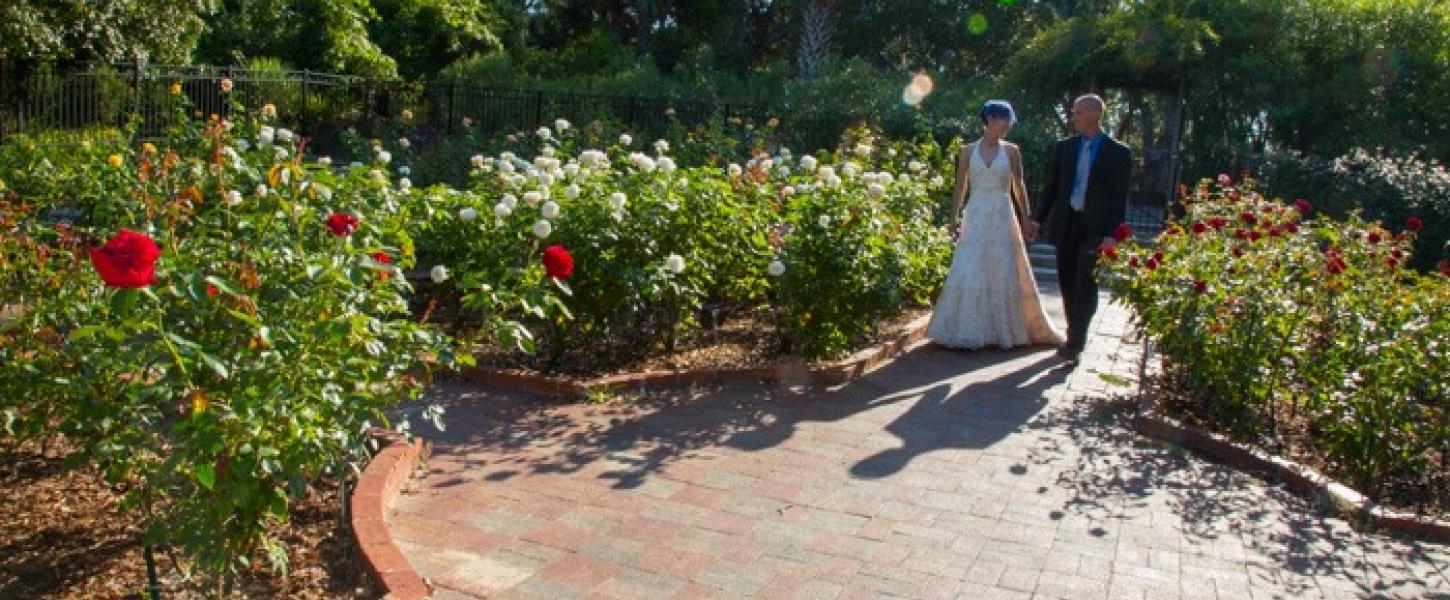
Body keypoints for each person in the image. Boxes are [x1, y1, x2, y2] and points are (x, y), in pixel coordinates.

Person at [926, 100, 1064, 350]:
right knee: (969, 266)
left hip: (1002, 214)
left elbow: (1018, 186)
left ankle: (1002, 329)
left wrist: (1026, 217)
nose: (1009, 124)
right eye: (1005, 118)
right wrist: (953, 218)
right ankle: (967, 328)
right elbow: (960, 186)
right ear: (990, 118)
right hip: (976, 213)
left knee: (1002, 268)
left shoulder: (1012, 150)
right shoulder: (967, 151)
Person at [1029, 94, 1133, 363]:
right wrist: (1038, 218)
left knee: (1086, 280)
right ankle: (1073, 330)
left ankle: (1076, 340)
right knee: (1066, 280)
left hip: (1096, 227)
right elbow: (1051, 188)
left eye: (1076, 112)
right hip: (1067, 223)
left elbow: (1119, 196)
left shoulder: (1118, 152)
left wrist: (1112, 233)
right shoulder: (1064, 148)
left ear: (1093, 114)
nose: (1072, 117)